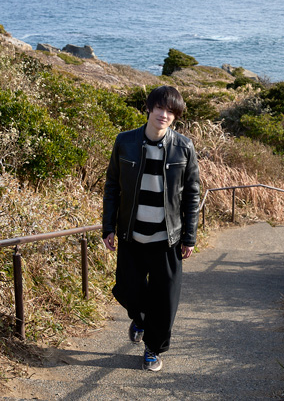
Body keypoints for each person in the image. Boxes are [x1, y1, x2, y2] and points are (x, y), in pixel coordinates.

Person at [102, 85, 200, 372]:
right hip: (132, 236)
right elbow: (112, 187)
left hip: (167, 239)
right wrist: (108, 226)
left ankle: (153, 349)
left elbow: (192, 193)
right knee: (126, 290)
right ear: (149, 108)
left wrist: (189, 236)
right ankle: (141, 318)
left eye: (172, 112)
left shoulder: (184, 147)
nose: (165, 115)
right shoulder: (125, 142)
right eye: (161, 108)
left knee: (167, 300)